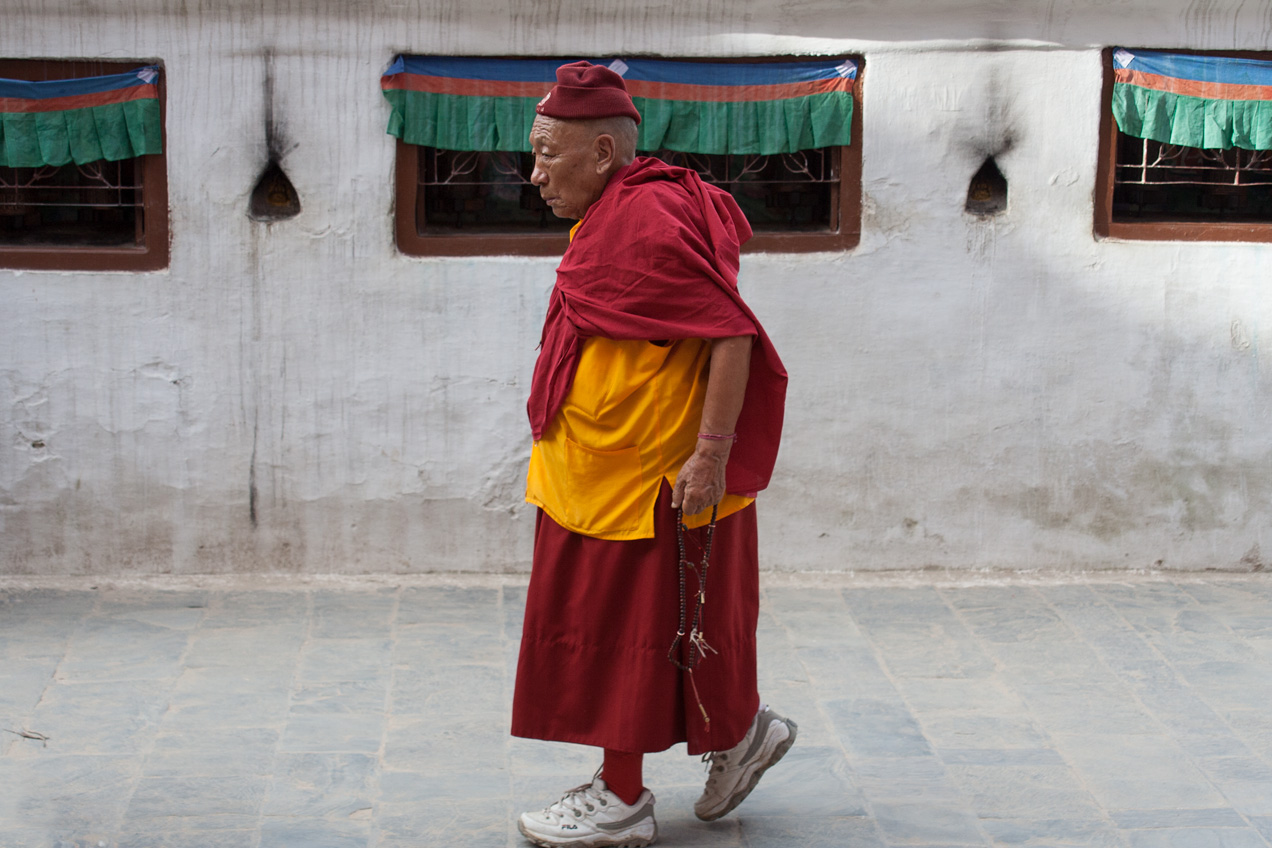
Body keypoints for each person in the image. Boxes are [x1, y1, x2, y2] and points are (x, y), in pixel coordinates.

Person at [512, 60, 794, 848]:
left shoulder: (645, 216)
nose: (534, 175)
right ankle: (738, 737)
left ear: (604, 152)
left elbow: (732, 329)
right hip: (610, 466)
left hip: (644, 480)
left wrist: (710, 454)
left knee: (623, 637)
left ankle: (624, 800)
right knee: (682, 620)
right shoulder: (631, 209)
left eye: (547, 154)